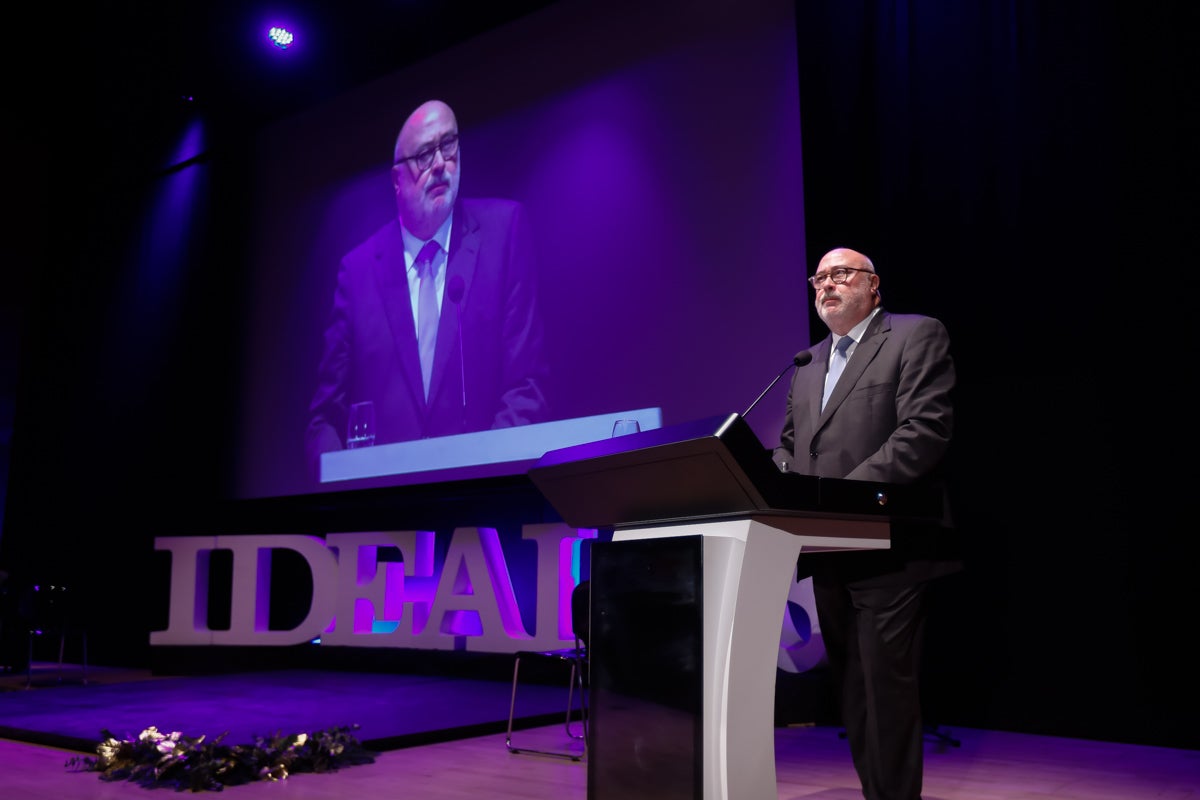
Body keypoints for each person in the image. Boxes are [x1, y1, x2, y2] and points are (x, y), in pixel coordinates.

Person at [773, 246, 959, 800]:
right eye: (819, 278)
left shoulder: (914, 334)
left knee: (886, 691)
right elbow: (789, 449)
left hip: (890, 545)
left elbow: (923, 431)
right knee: (852, 692)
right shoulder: (806, 365)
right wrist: (775, 479)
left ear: (873, 286)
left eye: (842, 274)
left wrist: (839, 499)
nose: (827, 285)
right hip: (828, 551)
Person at [306, 99, 549, 481]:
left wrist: (487, 478)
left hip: (483, 509)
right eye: (423, 155)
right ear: (396, 180)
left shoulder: (504, 233)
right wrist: (344, 491)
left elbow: (526, 385)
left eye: (448, 145)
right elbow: (326, 418)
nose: (439, 164)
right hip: (382, 517)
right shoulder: (357, 272)